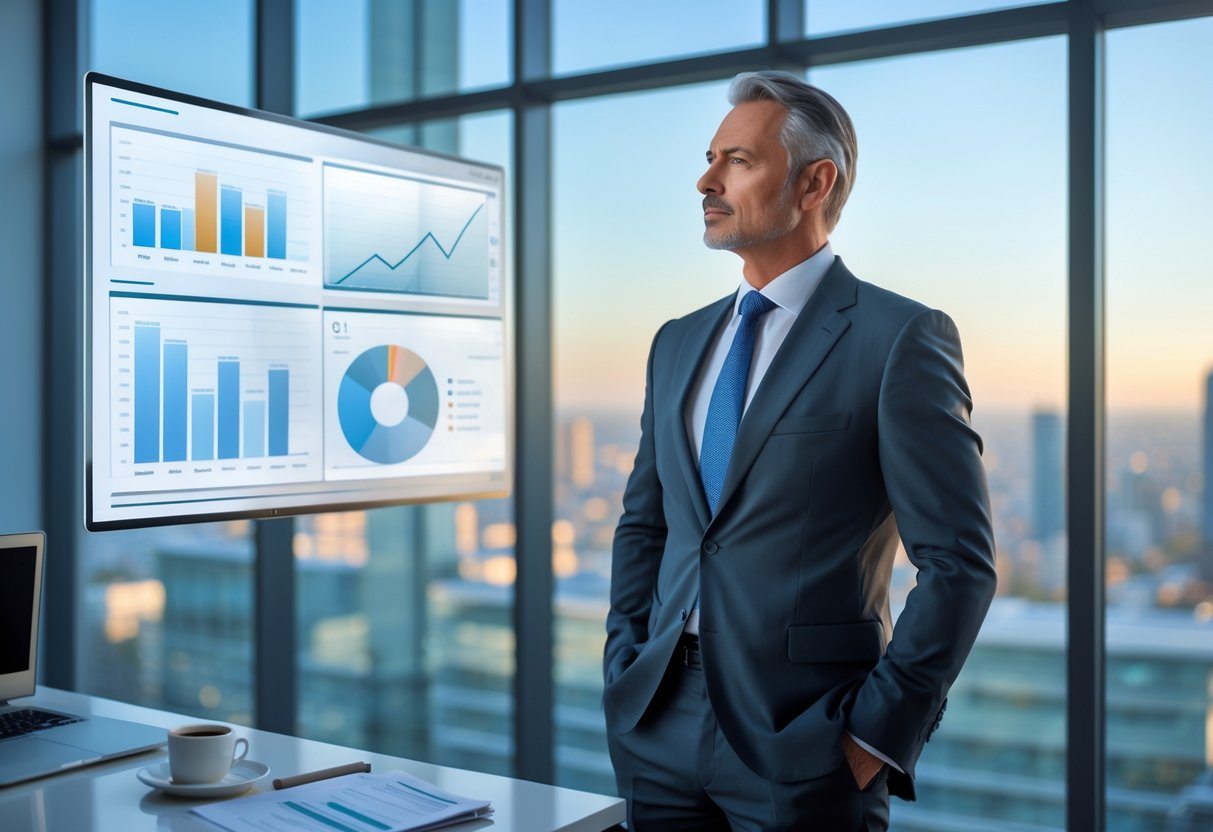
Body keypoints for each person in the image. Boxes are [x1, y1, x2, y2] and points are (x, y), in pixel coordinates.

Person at [602, 70, 997, 831]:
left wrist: (873, 733)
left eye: (737, 162)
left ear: (815, 182)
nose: (705, 181)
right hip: (655, 721)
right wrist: (623, 661)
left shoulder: (897, 338)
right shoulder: (677, 341)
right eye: (710, 157)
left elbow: (958, 562)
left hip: (806, 736)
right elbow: (645, 524)